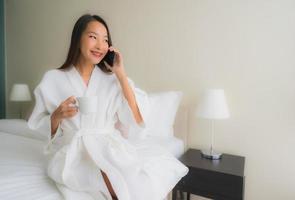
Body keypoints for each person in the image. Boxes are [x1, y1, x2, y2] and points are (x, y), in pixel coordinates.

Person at [28, 14, 188, 200]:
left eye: (105, 40)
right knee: (99, 177)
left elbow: (136, 117)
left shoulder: (113, 80)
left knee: (127, 179)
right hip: (74, 151)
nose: (100, 46)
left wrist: (120, 73)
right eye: (93, 37)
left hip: (109, 148)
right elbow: (36, 126)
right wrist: (56, 117)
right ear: (78, 38)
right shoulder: (53, 79)